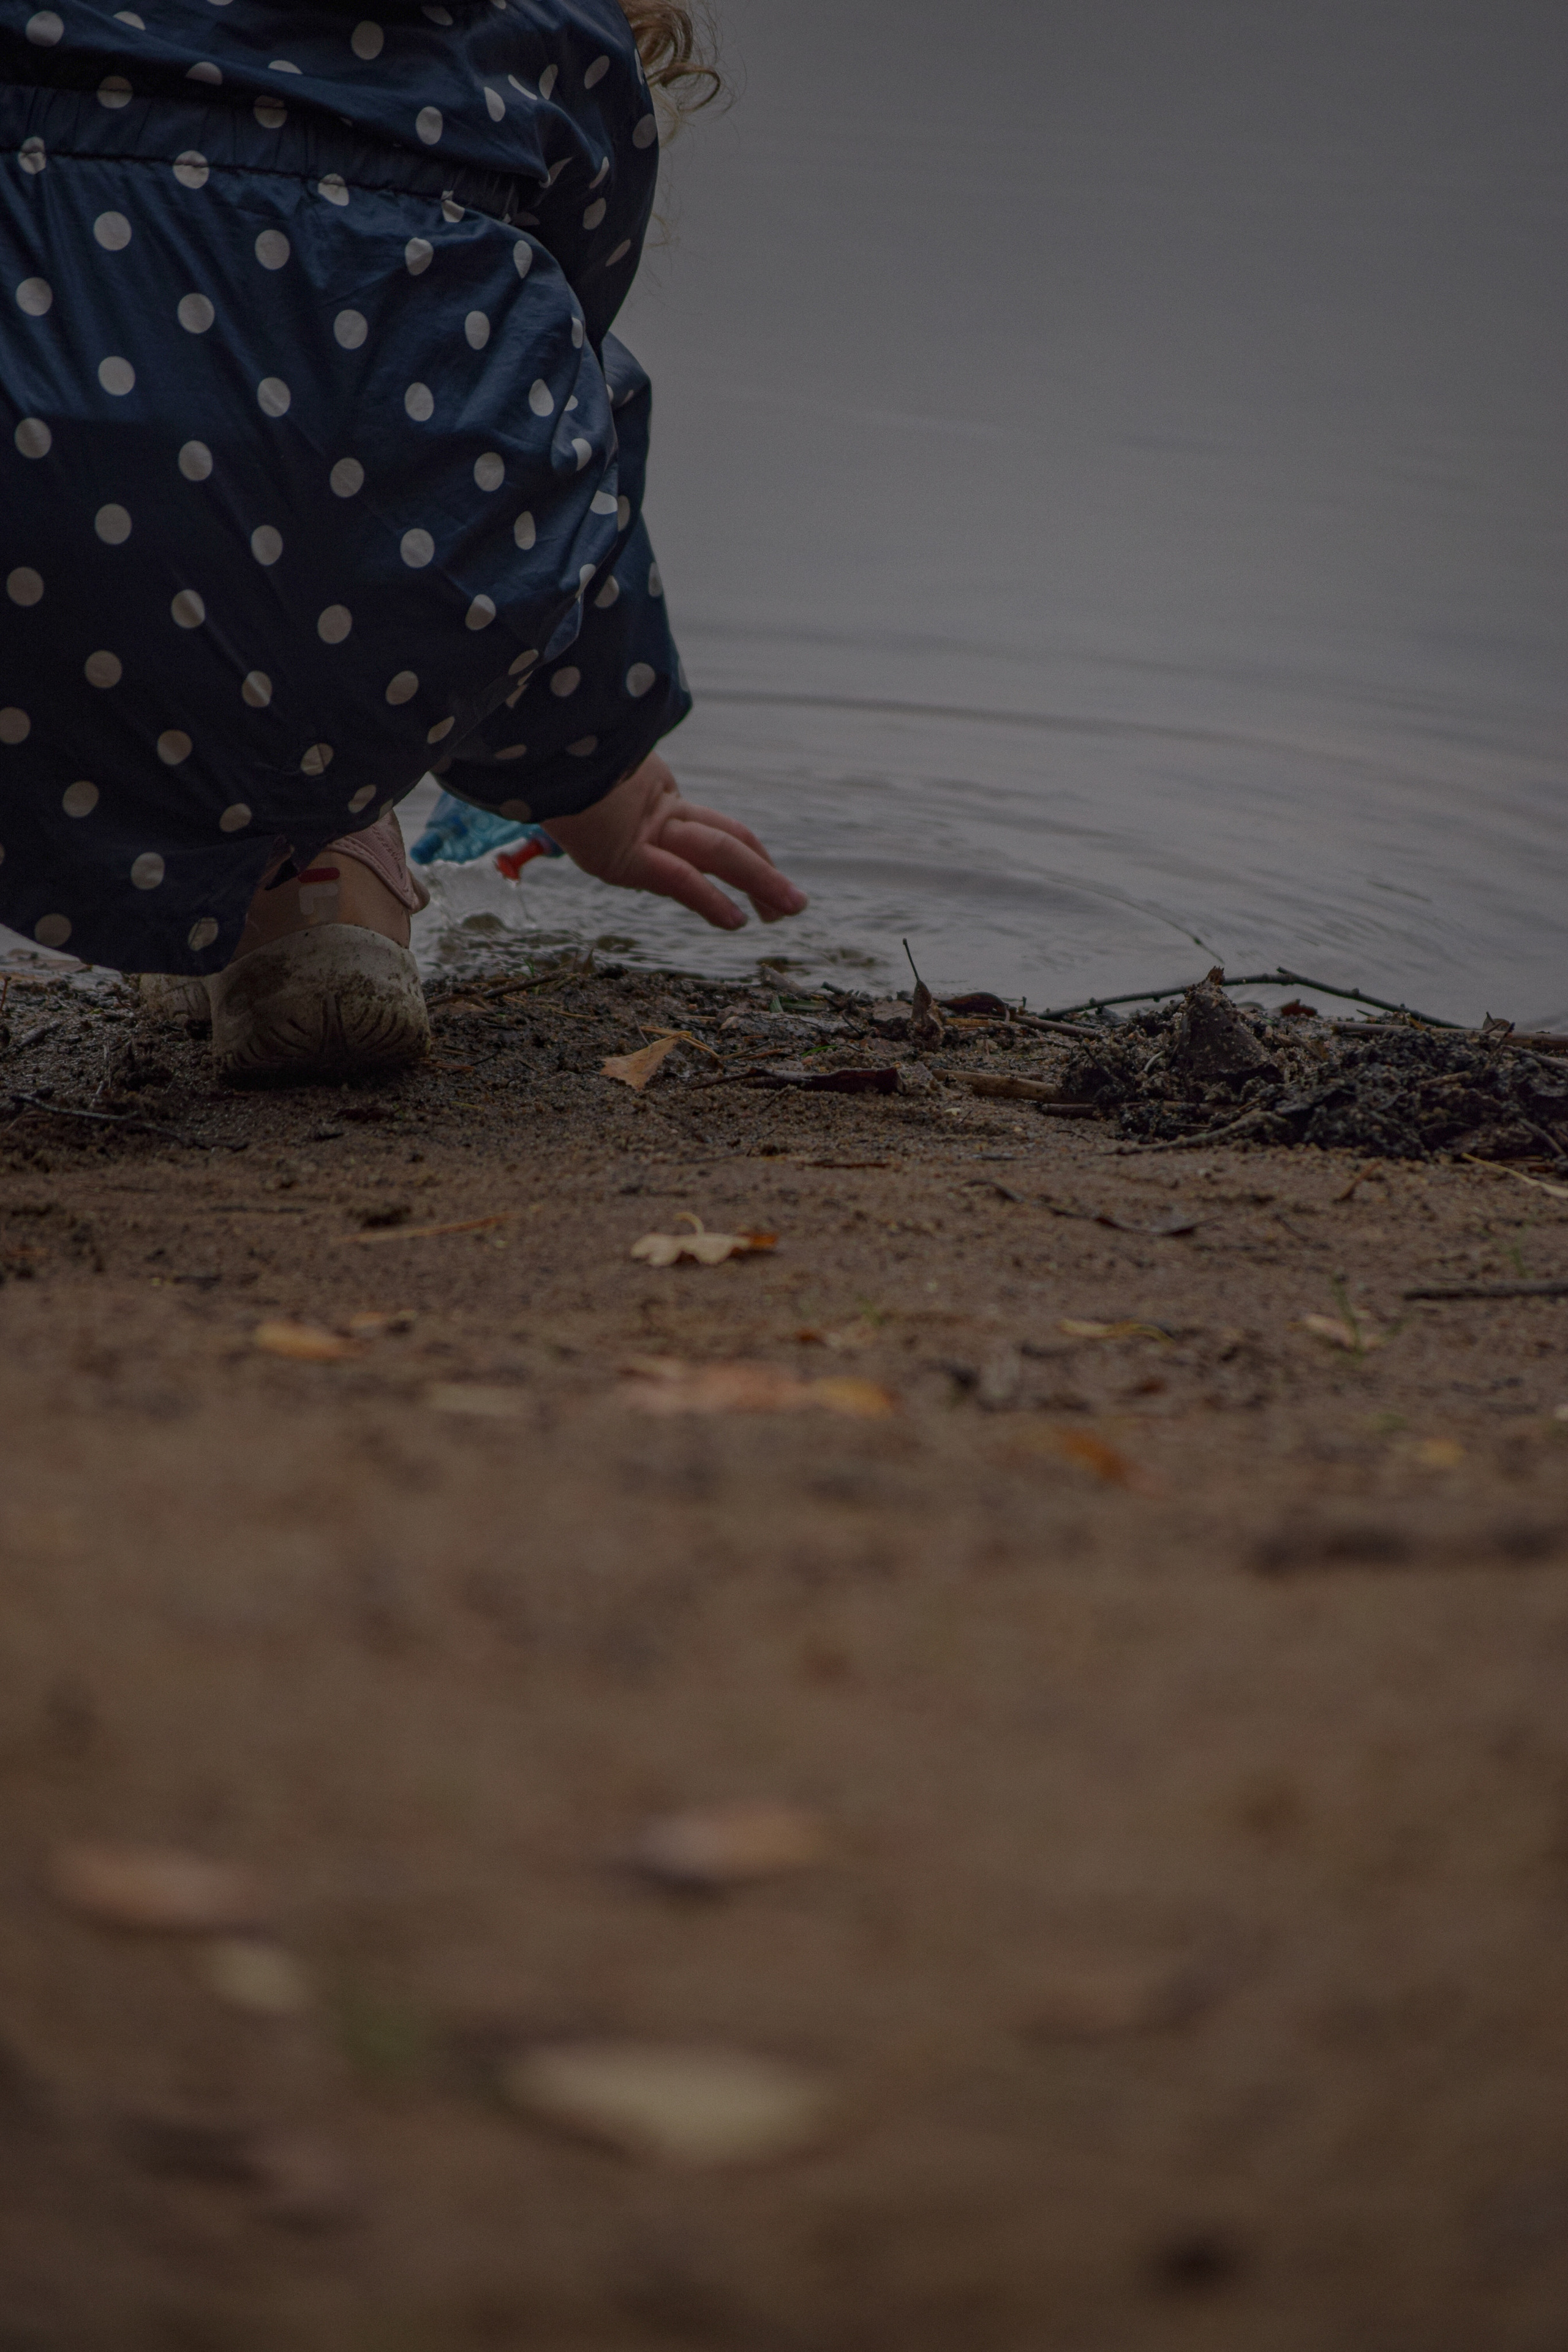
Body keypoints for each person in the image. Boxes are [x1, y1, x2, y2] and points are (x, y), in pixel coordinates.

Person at [0, 0, 805, 1077]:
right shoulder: (548, 37)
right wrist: (601, 775)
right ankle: (315, 890)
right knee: (413, 404)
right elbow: (543, 408)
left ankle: (287, 872)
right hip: (367, 616)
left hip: (28, 539)